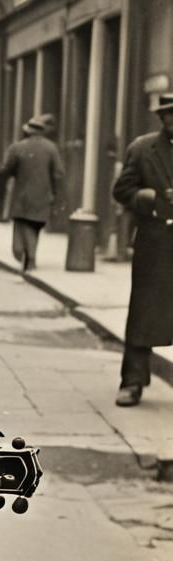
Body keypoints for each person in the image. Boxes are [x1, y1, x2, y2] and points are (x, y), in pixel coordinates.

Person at [110, 92, 173, 407]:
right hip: (155, 243)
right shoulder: (142, 148)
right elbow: (121, 189)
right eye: (170, 114)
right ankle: (133, 381)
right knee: (144, 313)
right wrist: (145, 198)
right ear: (162, 118)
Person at [0, 117, 65, 271]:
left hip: (21, 196)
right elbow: (59, 173)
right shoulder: (51, 148)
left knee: (22, 224)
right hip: (43, 196)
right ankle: (30, 257)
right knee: (34, 226)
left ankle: (28, 257)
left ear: (27, 131)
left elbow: (6, 170)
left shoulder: (16, 147)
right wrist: (57, 195)